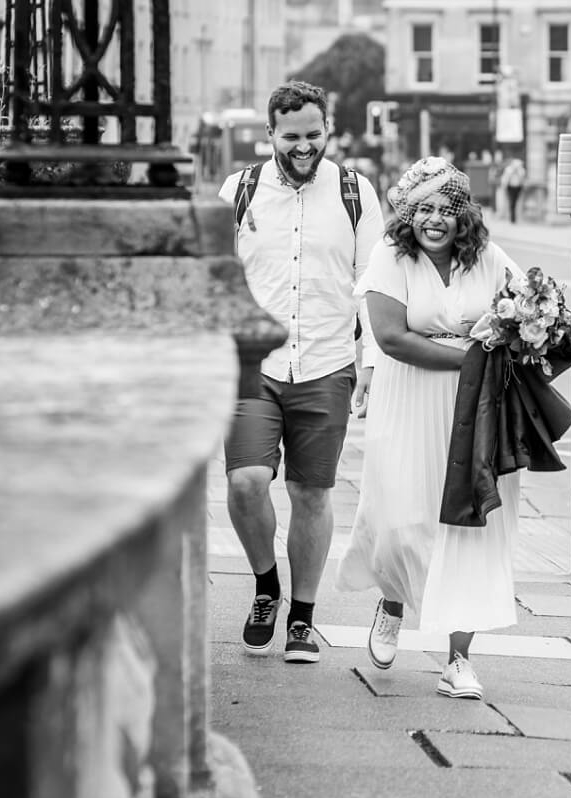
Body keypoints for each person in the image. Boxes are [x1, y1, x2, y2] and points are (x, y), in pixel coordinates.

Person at [336, 156, 522, 700]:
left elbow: (525, 307)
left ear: (463, 215)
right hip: (408, 401)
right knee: (400, 520)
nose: (434, 220)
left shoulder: (487, 258)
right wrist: (474, 354)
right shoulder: (390, 257)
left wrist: (531, 329)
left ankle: (458, 660)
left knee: (470, 530)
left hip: (475, 411)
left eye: (446, 210)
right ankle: (392, 601)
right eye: (424, 210)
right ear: (408, 214)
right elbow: (392, 338)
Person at [217, 80, 385, 663]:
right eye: (291, 137)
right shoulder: (238, 192)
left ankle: (302, 618)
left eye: (313, 135)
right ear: (270, 134)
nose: (303, 146)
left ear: (327, 131)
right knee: (245, 483)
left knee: (310, 493)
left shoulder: (355, 192)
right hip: (253, 366)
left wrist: (370, 364)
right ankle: (266, 585)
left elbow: (373, 284)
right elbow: (218, 283)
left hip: (327, 362)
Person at [499, 157, 526, 224]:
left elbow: (522, 179)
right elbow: (505, 179)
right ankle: (512, 219)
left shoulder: (521, 170)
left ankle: (517, 217)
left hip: (518, 187)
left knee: (517, 202)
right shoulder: (508, 170)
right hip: (510, 187)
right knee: (512, 203)